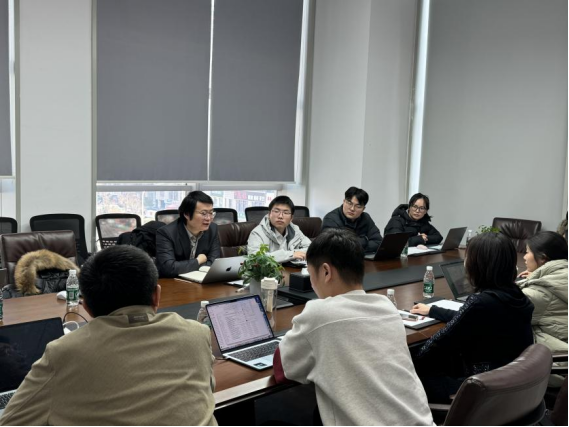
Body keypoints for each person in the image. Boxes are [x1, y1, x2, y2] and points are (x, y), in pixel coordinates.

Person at [0, 246, 217, 426]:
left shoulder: (64, 352)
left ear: (86, 306)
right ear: (157, 295)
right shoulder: (197, 334)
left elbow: (10, 420)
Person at [273, 229, 434, 426]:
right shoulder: (387, 306)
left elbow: (282, 369)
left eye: (310, 272)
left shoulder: (318, 314)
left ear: (325, 271)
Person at [411, 232, 534, 403]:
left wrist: (410, 357)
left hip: (482, 389)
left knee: (416, 366)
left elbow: (434, 346)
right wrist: (433, 310)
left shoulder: (480, 302)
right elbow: (471, 317)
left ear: (477, 265)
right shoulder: (516, 295)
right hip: (511, 384)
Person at [517, 231, 568, 387]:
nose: (524, 257)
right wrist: (536, 276)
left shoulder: (541, 292)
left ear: (543, 258)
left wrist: (529, 281)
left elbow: (507, 310)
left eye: (527, 252)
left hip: (557, 367)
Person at [156, 191, 220, 278]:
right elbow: (169, 268)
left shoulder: (213, 229)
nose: (208, 218)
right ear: (187, 214)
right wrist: (198, 261)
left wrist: (184, 266)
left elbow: (214, 264)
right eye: (203, 213)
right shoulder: (166, 233)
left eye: (211, 213)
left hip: (200, 281)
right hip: (173, 283)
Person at [247, 196, 312, 263]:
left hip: (291, 268)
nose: (280, 216)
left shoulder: (295, 229)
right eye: (276, 211)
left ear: (291, 218)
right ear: (269, 214)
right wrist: (291, 254)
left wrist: (294, 254)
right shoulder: (257, 233)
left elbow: (311, 249)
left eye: (286, 213)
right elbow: (255, 258)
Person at [321, 187, 383, 254]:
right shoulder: (331, 219)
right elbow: (336, 248)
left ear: (363, 209)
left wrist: (353, 245)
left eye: (358, 206)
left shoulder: (366, 218)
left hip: (362, 258)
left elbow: (378, 242)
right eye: (349, 203)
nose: (352, 209)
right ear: (344, 201)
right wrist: (365, 240)